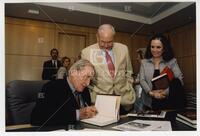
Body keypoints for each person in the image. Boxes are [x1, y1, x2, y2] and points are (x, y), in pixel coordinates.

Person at [81, 24, 135, 114]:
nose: (106, 45)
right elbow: (86, 79)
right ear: (97, 37)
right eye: (102, 42)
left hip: (124, 99)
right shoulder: (86, 52)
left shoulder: (124, 49)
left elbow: (129, 71)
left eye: (110, 42)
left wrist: (129, 85)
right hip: (100, 101)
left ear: (114, 37)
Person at [31, 59, 97, 126]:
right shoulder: (51, 87)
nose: (88, 83)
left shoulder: (85, 91)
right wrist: (77, 114)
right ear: (73, 72)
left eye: (90, 79)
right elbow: (37, 118)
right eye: (86, 77)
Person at [139, 33, 185, 111]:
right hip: (149, 102)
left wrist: (164, 93)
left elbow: (180, 79)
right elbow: (142, 80)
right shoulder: (144, 62)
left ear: (164, 49)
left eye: (158, 47)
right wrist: (152, 94)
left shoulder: (172, 62)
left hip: (168, 101)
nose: (154, 50)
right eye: (152, 47)